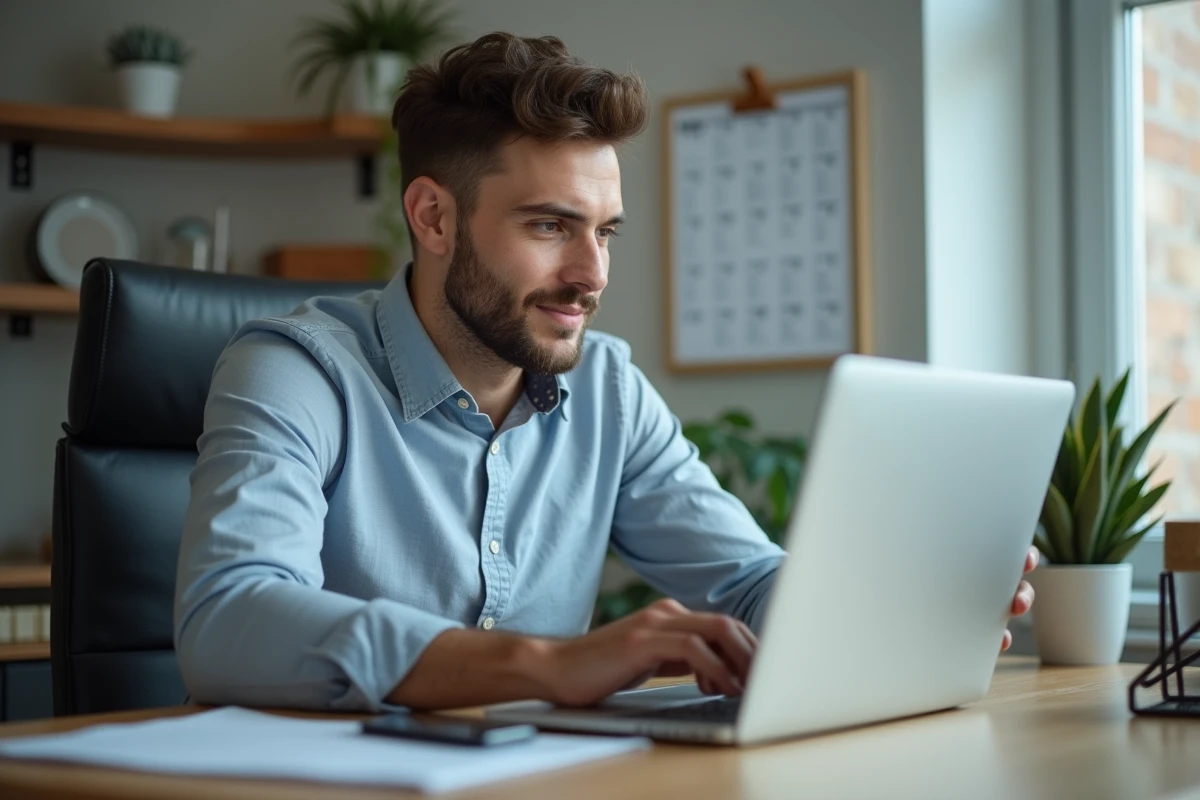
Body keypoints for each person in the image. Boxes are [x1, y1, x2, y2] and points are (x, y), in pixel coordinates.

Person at [173, 32, 1037, 712]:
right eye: (551, 226)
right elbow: (229, 617)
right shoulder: (292, 371)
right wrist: (548, 664)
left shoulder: (609, 389)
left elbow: (743, 582)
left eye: (606, 231)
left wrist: (898, 609)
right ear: (434, 216)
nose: (593, 275)